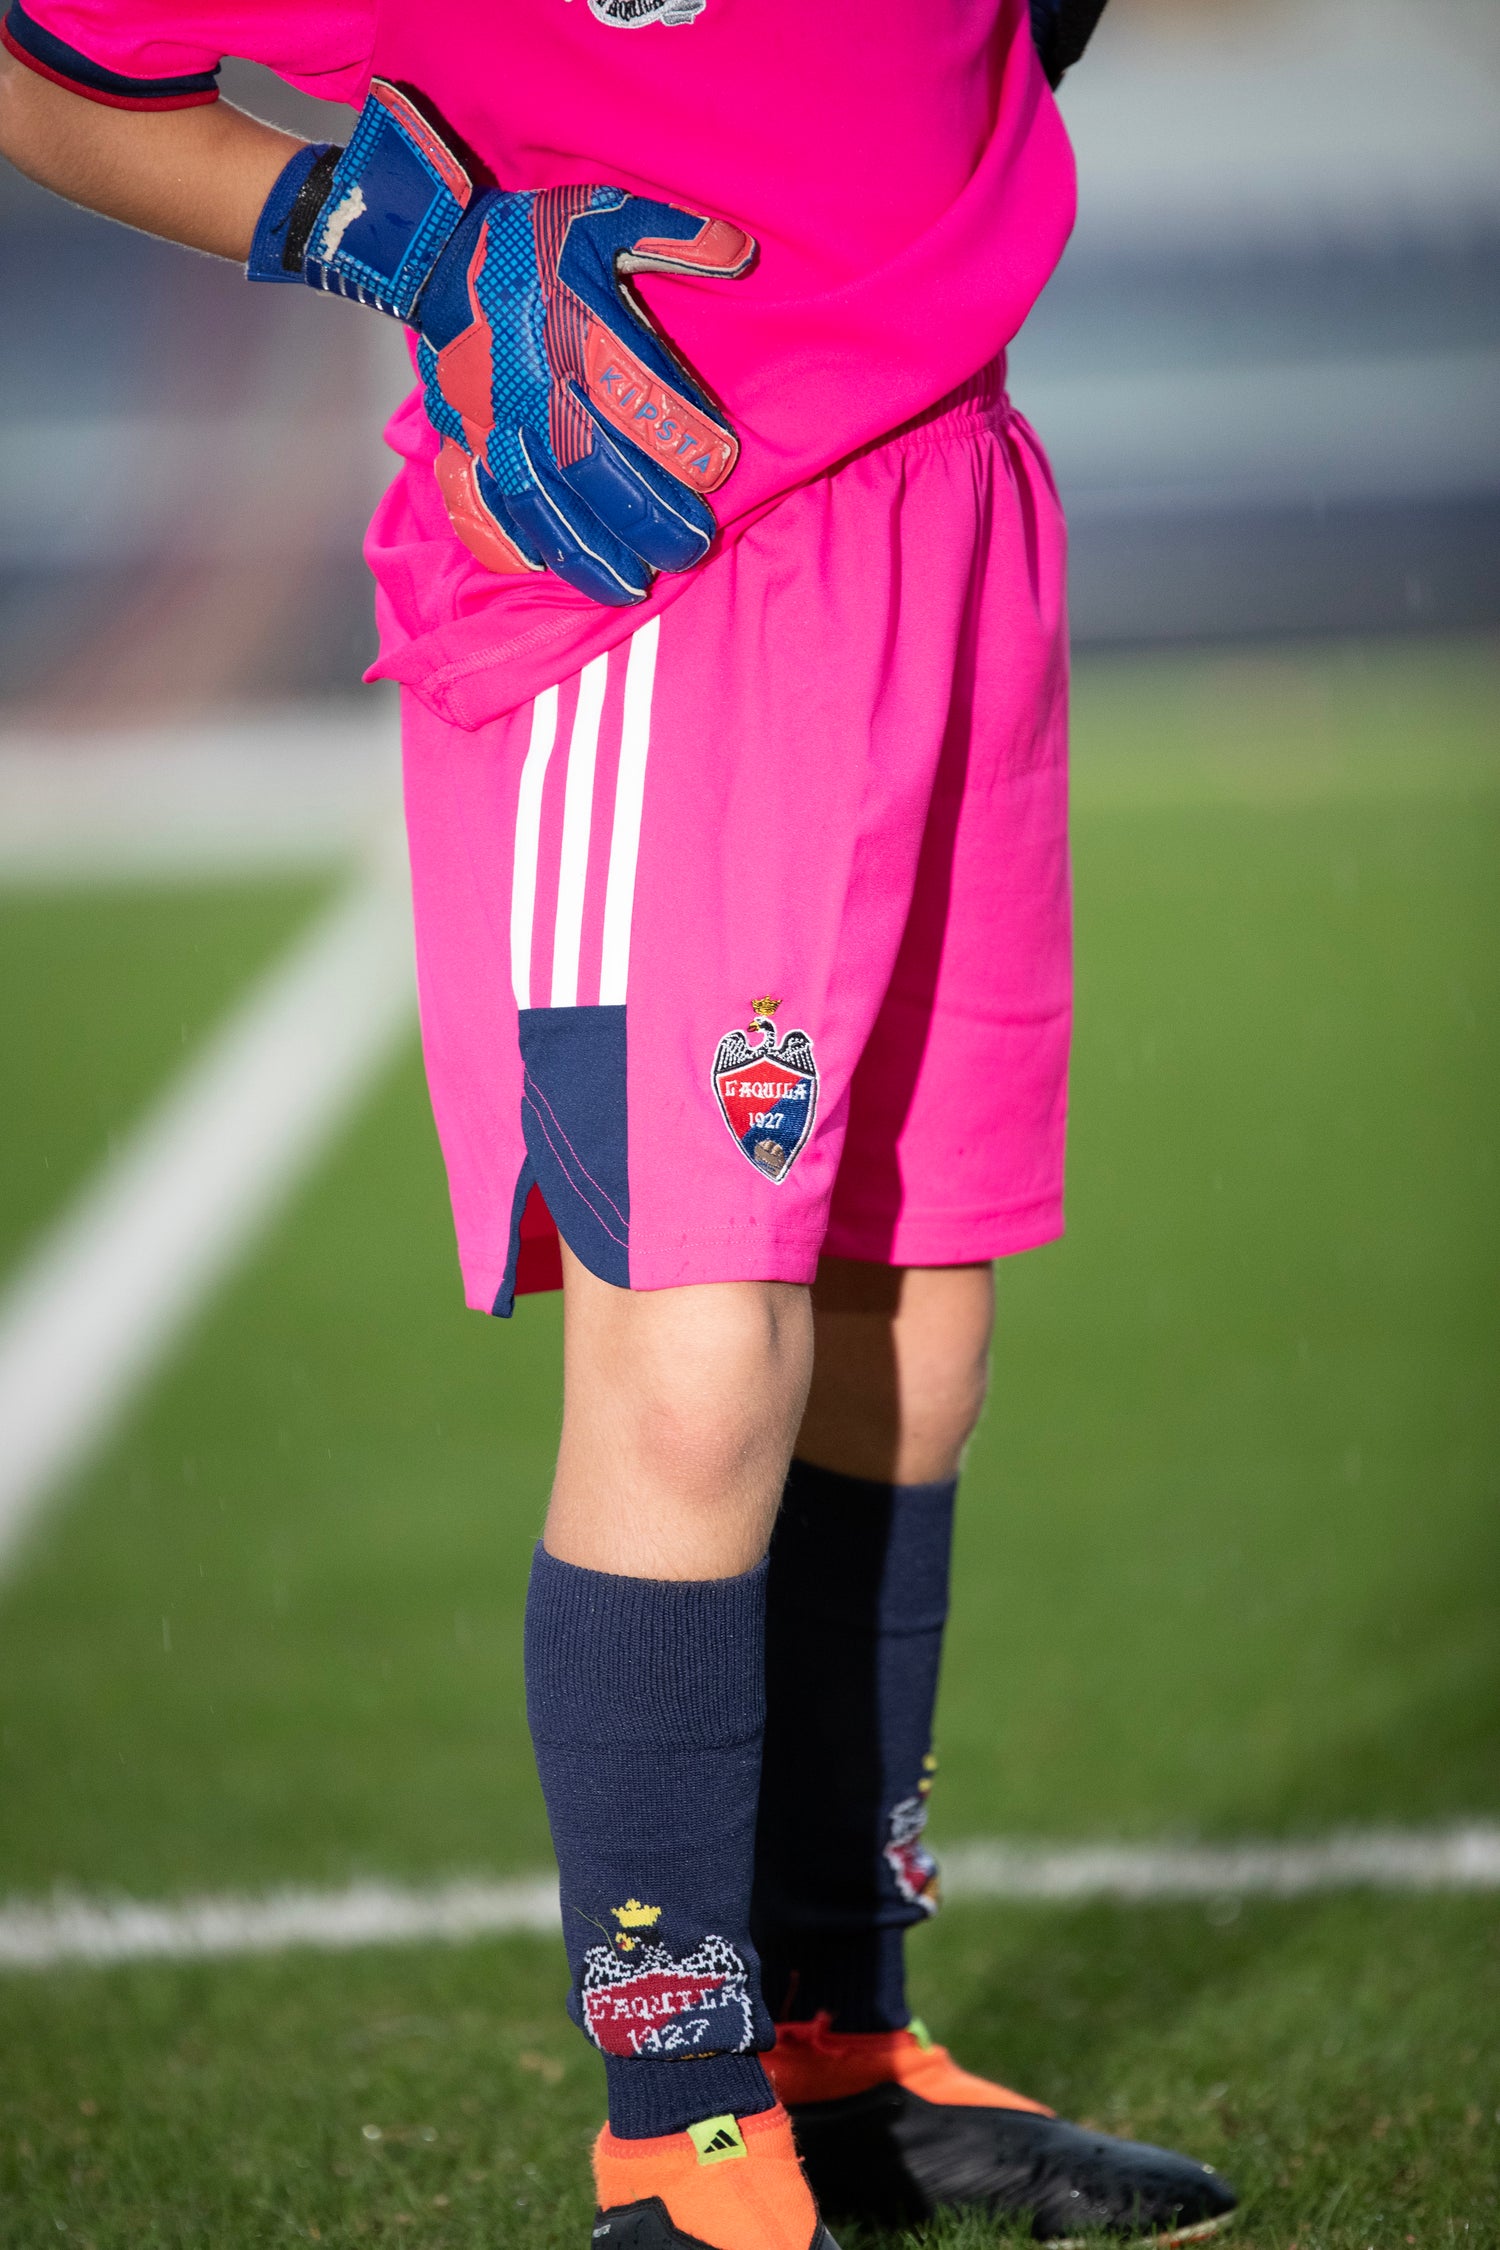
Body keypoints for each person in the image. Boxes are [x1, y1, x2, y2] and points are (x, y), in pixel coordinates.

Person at [0, 1, 1239, 2242]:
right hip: (647, 554)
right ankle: (677, 2132)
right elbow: (38, 64)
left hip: (951, 499)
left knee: (911, 1330)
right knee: (690, 1363)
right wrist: (361, 228)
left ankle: (835, 2049)